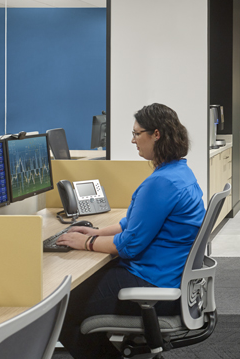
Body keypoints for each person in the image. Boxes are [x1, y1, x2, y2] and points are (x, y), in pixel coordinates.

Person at [56, 103, 207, 358]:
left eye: (137, 133)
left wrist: (85, 243)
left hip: (153, 286)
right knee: (77, 292)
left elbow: (128, 245)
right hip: (167, 277)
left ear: (156, 134)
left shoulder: (161, 182)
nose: (133, 140)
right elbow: (133, 224)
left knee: (60, 308)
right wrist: (95, 233)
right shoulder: (179, 173)